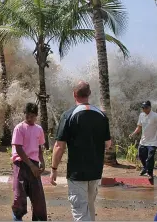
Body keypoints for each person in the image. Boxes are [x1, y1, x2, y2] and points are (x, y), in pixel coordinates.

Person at [50, 81, 111, 221]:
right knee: (90, 207)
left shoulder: (69, 115)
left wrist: (54, 168)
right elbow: (108, 144)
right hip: (95, 171)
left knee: (80, 210)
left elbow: (59, 146)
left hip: (77, 172)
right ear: (89, 94)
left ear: (74, 95)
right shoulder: (101, 115)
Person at [10, 102, 47, 221]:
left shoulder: (38, 129)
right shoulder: (19, 128)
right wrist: (30, 165)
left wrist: (41, 161)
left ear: (36, 116)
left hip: (34, 165)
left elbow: (39, 147)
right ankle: (17, 217)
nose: (30, 118)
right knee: (19, 197)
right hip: (21, 164)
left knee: (38, 198)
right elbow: (19, 148)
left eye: (32, 116)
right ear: (24, 114)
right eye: (28, 115)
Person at [129, 100, 157, 180]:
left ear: (150, 107)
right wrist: (133, 133)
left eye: (146, 107)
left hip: (153, 141)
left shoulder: (155, 116)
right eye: (143, 108)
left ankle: (150, 173)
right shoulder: (141, 115)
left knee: (150, 158)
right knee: (141, 155)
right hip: (143, 141)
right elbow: (139, 127)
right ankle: (145, 168)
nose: (144, 109)